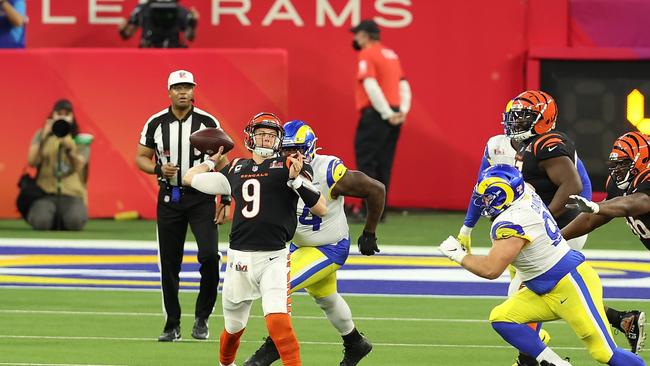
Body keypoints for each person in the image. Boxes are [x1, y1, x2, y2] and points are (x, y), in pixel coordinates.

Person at [438, 164, 646, 366]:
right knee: (502, 318)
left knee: (604, 353)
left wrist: (458, 255)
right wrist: (467, 227)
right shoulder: (525, 193)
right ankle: (554, 363)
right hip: (543, 288)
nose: (483, 201)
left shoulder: (511, 222)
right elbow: (516, 188)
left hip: (570, 284)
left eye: (488, 197)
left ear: (503, 196)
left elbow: (491, 270)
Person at [183, 113, 328, 366]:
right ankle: (226, 364)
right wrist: (211, 162)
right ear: (251, 137)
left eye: (271, 135)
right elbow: (190, 178)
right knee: (233, 328)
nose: (266, 138)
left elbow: (321, 207)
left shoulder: (289, 165)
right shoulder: (236, 168)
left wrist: (296, 181)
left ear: (279, 140)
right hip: (239, 258)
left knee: (279, 322)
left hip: (273, 257)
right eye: (261, 133)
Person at [242, 120, 385, 366]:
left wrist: (369, 232)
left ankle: (275, 345)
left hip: (329, 247)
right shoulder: (274, 168)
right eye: (285, 149)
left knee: (277, 285)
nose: (289, 154)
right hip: (300, 245)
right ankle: (355, 343)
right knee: (327, 298)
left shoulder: (328, 170)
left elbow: (377, 190)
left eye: (295, 148)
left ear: (309, 148)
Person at [135, 70, 225, 342]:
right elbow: (140, 157)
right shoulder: (156, 123)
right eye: (178, 87)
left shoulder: (207, 121)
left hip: (201, 197)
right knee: (169, 262)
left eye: (188, 87)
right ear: (169, 91)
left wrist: (225, 197)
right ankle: (172, 323)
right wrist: (157, 169)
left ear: (194, 90)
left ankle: (202, 317)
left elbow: (222, 160)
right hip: (170, 197)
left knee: (210, 256)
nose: (183, 91)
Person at [562, 131, 650, 354]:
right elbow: (593, 218)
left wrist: (599, 206)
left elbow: (637, 203)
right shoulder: (620, 183)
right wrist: (557, 237)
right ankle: (623, 320)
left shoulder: (645, 183)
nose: (617, 170)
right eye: (615, 164)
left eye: (624, 164)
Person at [349, 19, 411, 220]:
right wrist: (401, 111)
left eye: (357, 34)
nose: (355, 38)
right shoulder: (391, 54)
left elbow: (370, 84)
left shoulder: (367, 53)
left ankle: (367, 211)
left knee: (366, 162)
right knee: (384, 162)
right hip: (394, 113)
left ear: (365, 36)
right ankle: (379, 211)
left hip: (376, 114)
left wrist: (385, 113)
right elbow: (404, 86)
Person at [26, 99, 88, 231]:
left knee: (75, 222)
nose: (62, 117)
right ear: (52, 115)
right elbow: (31, 162)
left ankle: (63, 217)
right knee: (41, 222)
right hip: (45, 193)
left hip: (72, 194)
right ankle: (49, 217)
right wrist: (44, 136)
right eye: (59, 113)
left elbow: (78, 168)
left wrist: (70, 149)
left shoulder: (80, 139)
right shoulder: (41, 135)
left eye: (66, 114)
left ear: (72, 117)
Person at [119, 0, 198, 48]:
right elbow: (126, 34)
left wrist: (193, 22)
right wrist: (122, 29)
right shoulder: (143, 9)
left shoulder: (180, 9)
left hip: (173, 50)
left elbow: (190, 36)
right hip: (149, 52)